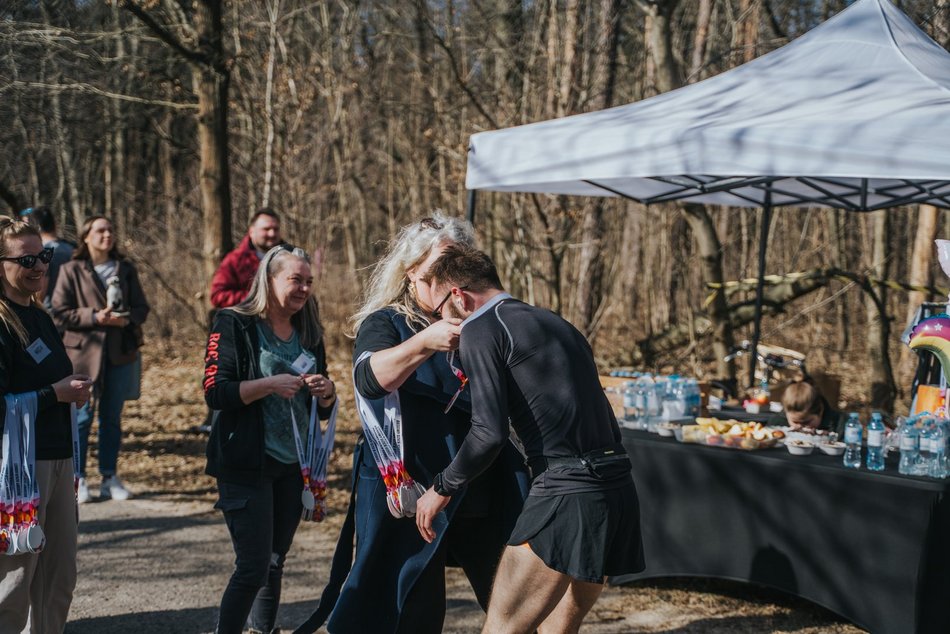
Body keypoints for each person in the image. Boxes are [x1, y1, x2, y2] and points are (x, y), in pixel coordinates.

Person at [296, 214, 527, 634]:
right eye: (438, 265)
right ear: (411, 270)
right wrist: (424, 341)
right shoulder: (386, 322)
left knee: (514, 601)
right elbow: (369, 379)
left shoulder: (483, 321)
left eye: (457, 263)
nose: (448, 276)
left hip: (475, 477)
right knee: (403, 611)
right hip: (408, 485)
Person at [416, 245, 645, 634]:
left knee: (502, 628)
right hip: (616, 487)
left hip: (565, 493)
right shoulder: (555, 322)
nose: (441, 320)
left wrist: (442, 486)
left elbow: (488, 433)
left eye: (438, 310)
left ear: (458, 295)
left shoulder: (481, 328)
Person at [203, 244, 336, 634]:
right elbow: (215, 392)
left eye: (309, 281)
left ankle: (264, 631)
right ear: (270, 279)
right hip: (246, 461)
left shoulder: (309, 331)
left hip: (295, 465)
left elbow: (322, 408)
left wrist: (326, 391)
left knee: (275, 562)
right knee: (253, 566)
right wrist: (267, 385)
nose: (304, 288)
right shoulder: (233, 323)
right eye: (296, 279)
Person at [0, 215, 93, 632]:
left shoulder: (39, 315)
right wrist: (53, 394)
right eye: (27, 259)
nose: (39, 265)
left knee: (59, 579)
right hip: (17, 471)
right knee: (14, 582)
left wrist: (69, 392)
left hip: (59, 459)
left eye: (44, 255)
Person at [51, 216, 150, 504]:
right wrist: (95, 317)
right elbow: (59, 311)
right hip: (82, 355)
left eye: (110, 229)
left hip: (119, 354)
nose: (107, 234)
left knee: (112, 418)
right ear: (86, 237)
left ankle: (109, 477)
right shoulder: (71, 270)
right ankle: (78, 479)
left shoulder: (126, 269)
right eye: (100, 230)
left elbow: (142, 308)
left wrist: (126, 319)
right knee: (81, 419)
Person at [210, 208, 282, 309]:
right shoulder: (235, 260)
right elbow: (218, 296)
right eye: (266, 229)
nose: (272, 234)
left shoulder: (291, 258)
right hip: (248, 322)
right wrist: (256, 298)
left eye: (276, 229)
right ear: (252, 232)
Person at [20, 206, 75, 310]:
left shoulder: (42, 253)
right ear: (54, 224)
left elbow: (40, 292)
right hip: (74, 312)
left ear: (34, 226)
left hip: (51, 311)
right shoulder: (72, 248)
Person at [768, 380, 846, 437]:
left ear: (821, 411)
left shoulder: (841, 426)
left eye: (806, 422)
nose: (800, 427)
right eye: (795, 422)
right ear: (786, 413)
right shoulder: (776, 425)